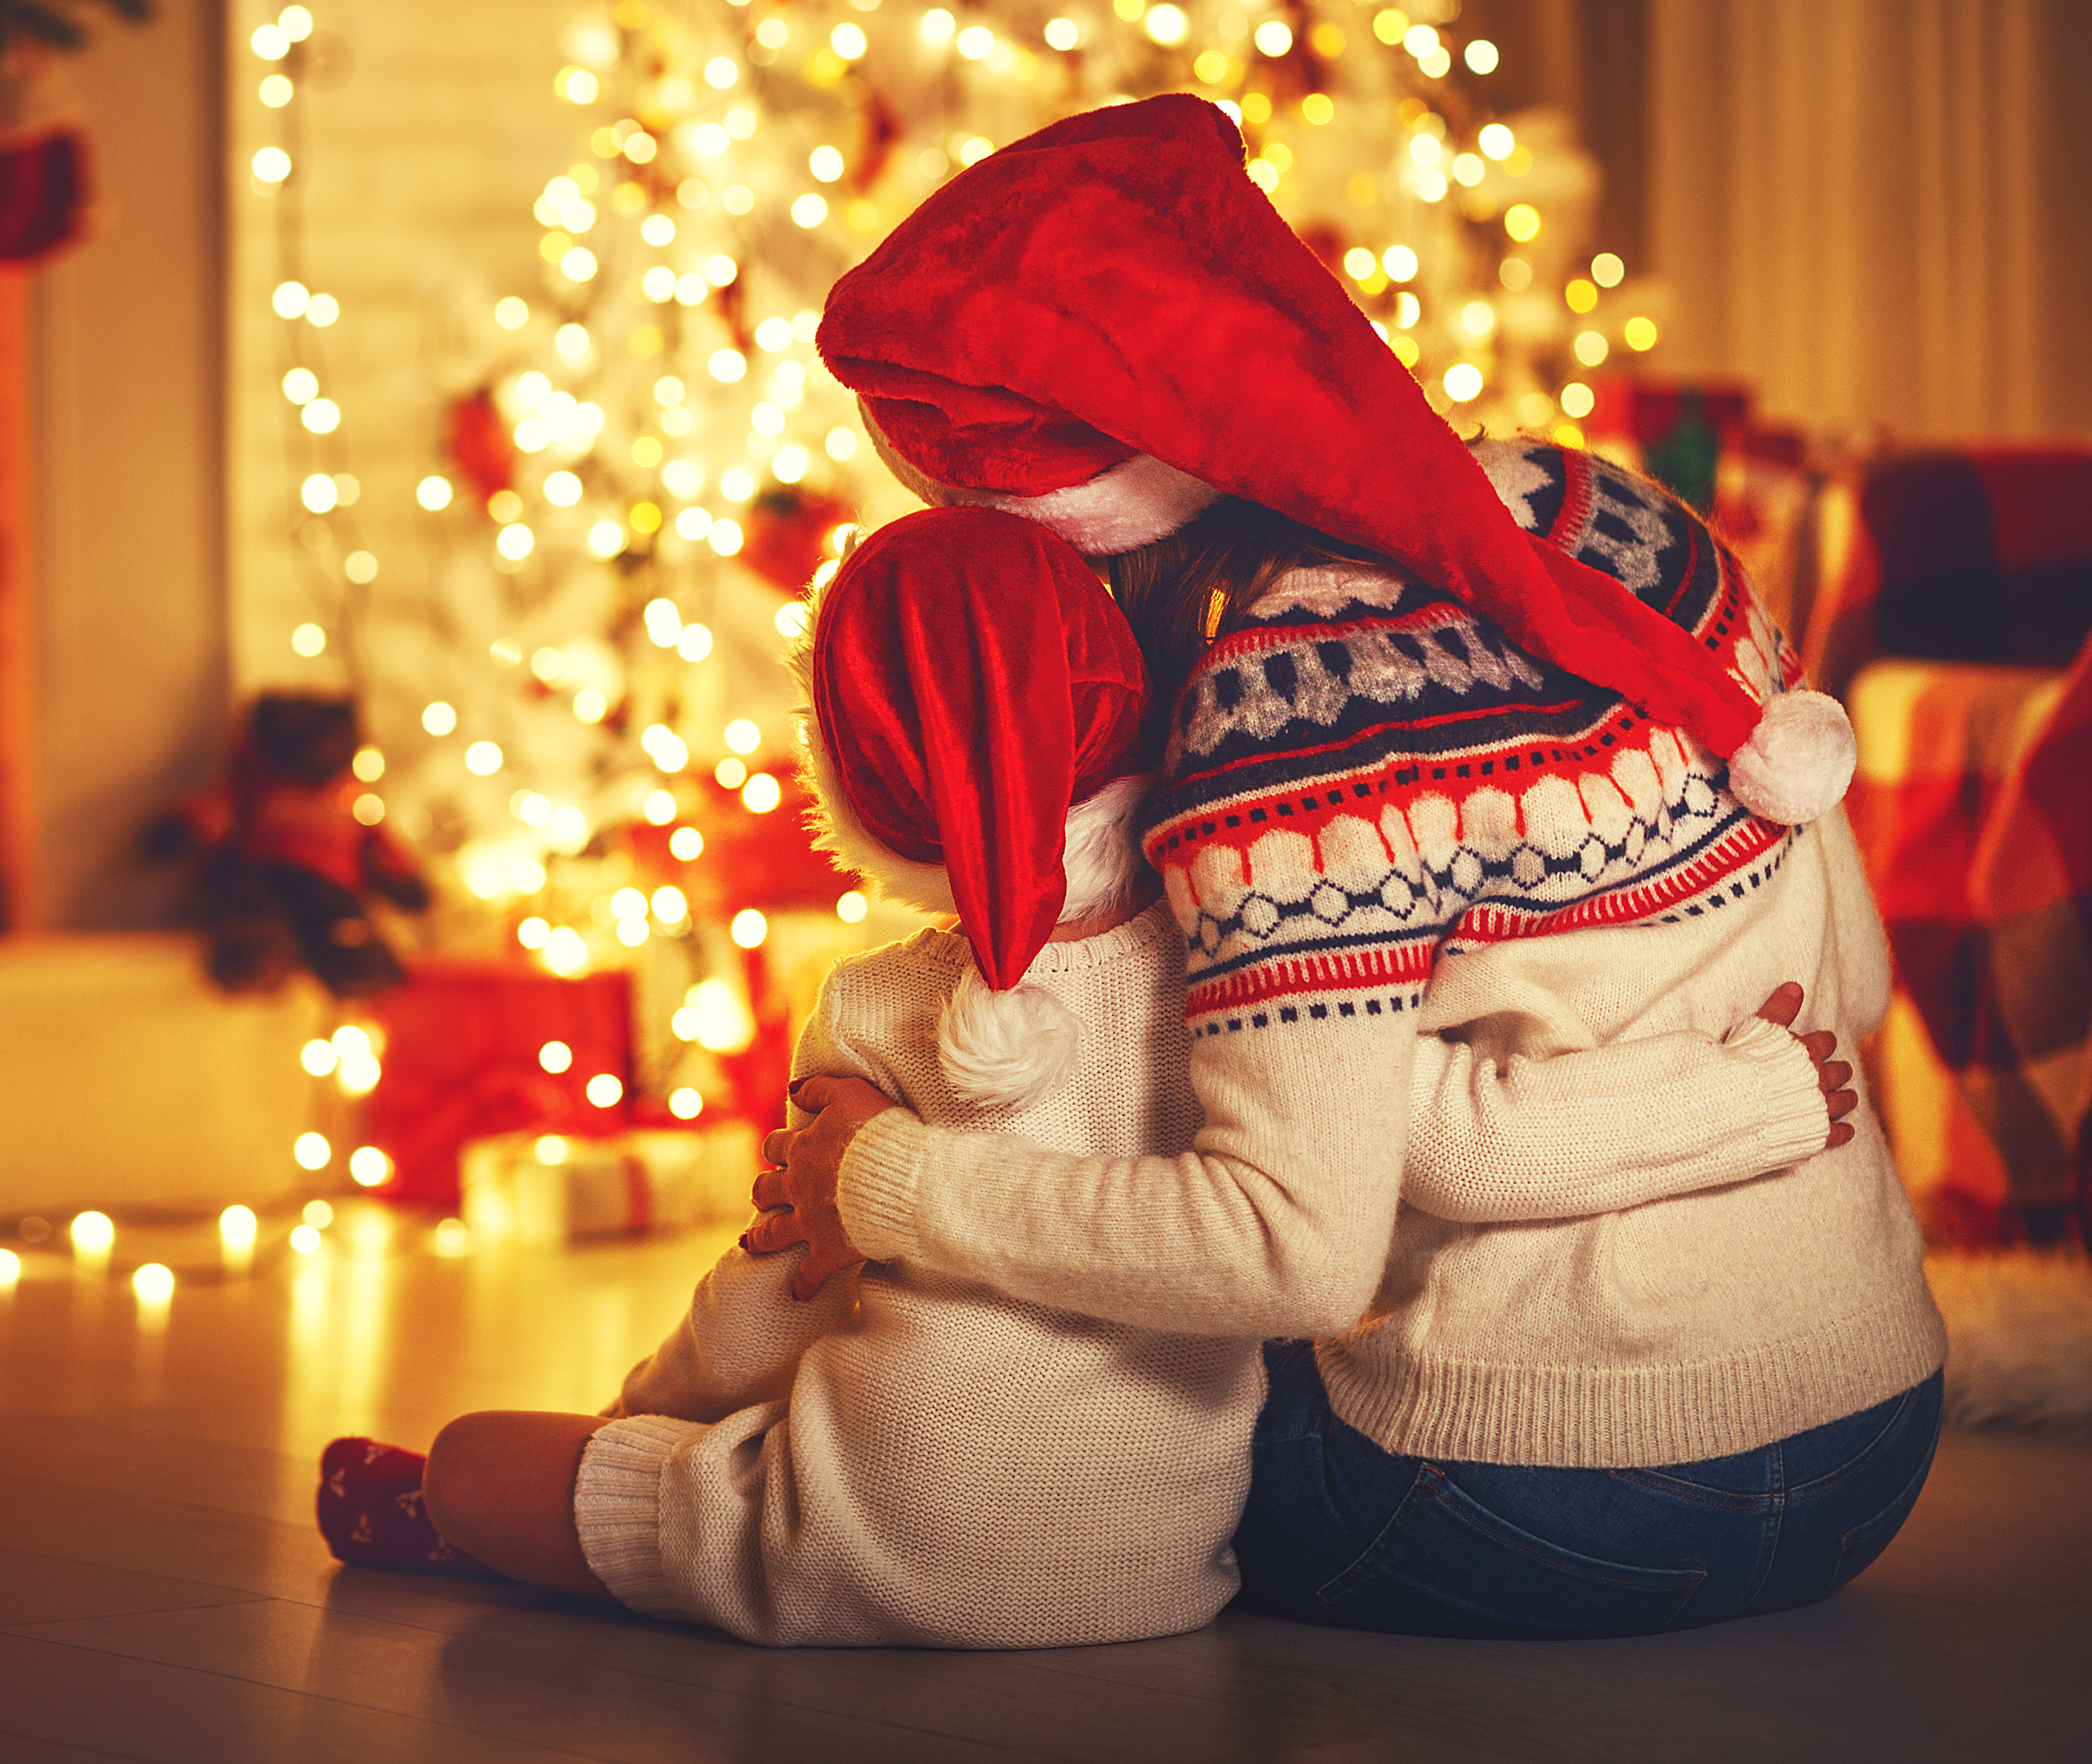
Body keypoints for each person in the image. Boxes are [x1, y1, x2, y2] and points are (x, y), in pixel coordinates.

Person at [753, 94, 1942, 1639]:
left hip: (1538, 1489)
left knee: (1031, 1463)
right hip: (1873, 1419)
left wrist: (889, 1181)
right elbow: (1846, 987)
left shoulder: (1280, 714)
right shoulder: (1604, 517)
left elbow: (1285, 1247)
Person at [317, 505, 1848, 1647]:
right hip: (1162, 1574)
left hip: (847, 1538)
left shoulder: (871, 1011)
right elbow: (1451, 1139)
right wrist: (1757, 1094)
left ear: (852, 788)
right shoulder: (1250, 954)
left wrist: (643, 1413)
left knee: (502, 1469)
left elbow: (771, 1295)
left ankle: (478, 1512)